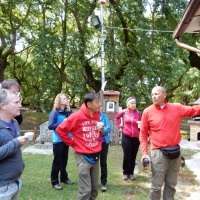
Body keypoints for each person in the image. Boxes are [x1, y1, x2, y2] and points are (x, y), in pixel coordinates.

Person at [139, 86, 200, 200]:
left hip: (175, 152)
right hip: (158, 153)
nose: (154, 96)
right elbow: (143, 134)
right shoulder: (147, 112)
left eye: (156, 94)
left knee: (171, 186)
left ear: (164, 95)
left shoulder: (176, 108)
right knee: (156, 187)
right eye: (152, 94)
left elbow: (194, 110)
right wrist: (144, 153)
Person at [56, 92, 102, 200]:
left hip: (96, 156)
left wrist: (100, 132)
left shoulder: (97, 115)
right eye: (97, 102)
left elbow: (95, 133)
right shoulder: (76, 116)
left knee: (94, 190)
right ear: (89, 104)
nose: (100, 104)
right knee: (85, 191)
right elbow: (60, 129)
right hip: (83, 157)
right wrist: (72, 143)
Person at [0, 89, 28, 200]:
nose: (20, 105)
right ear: (3, 105)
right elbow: (14, 145)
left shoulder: (15, 122)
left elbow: (14, 150)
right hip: (2, 187)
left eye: (19, 102)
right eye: (16, 103)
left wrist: (21, 167)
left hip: (16, 182)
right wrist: (16, 143)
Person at [48, 93, 74, 190]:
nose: (65, 100)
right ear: (58, 101)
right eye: (63, 98)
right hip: (58, 140)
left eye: (66, 98)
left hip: (66, 139)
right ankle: (54, 181)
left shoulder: (67, 112)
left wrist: (69, 110)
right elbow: (50, 126)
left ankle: (64, 178)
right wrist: (62, 123)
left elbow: (72, 120)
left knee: (64, 161)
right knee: (57, 162)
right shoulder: (55, 112)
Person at [115, 96, 141, 180]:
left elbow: (142, 123)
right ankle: (125, 172)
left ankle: (131, 173)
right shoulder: (123, 112)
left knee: (133, 155)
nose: (134, 104)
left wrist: (141, 126)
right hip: (126, 136)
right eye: (132, 103)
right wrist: (119, 127)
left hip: (136, 137)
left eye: (135, 103)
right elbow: (116, 118)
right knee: (127, 155)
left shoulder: (138, 113)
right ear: (128, 104)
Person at [99, 106, 111, 192]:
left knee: (103, 162)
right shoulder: (90, 116)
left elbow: (108, 127)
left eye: (100, 106)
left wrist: (101, 131)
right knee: (93, 163)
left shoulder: (104, 116)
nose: (99, 108)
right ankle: (92, 182)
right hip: (93, 143)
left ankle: (103, 183)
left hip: (103, 143)